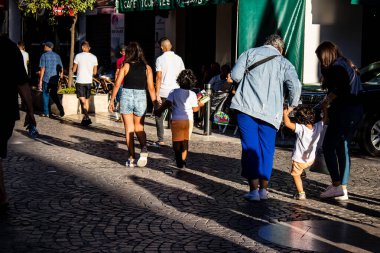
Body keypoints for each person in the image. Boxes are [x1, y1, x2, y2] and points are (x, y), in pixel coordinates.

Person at [230, 34, 301, 201]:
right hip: (271, 112)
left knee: (250, 147)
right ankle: (264, 190)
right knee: (267, 149)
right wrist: (291, 106)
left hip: (246, 108)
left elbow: (235, 76)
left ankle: (253, 190)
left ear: (266, 43)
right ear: (280, 49)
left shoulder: (250, 53)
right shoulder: (284, 63)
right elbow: (295, 86)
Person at [316, 41, 363, 200]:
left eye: (320, 58)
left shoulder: (336, 67)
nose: (320, 63)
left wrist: (327, 101)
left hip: (344, 112)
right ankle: (342, 187)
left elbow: (339, 89)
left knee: (328, 147)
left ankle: (336, 185)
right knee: (343, 147)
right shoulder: (346, 63)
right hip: (355, 111)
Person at [0, 11, 36, 212]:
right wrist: (30, 111)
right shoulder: (10, 49)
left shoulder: (10, 48)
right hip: (5, 110)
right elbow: (22, 84)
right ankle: (2, 197)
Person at [108, 42, 157, 167]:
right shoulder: (148, 68)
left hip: (127, 96)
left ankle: (131, 158)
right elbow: (151, 88)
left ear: (129, 53)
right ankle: (144, 148)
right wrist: (155, 103)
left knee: (128, 128)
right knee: (139, 127)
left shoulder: (125, 66)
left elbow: (117, 84)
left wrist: (112, 100)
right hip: (141, 97)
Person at [154, 69, 204, 168]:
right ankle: (183, 160)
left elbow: (167, 104)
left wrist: (158, 111)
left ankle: (178, 158)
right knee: (185, 141)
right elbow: (195, 109)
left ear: (179, 81)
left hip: (176, 120)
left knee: (176, 141)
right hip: (188, 121)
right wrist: (200, 105)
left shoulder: (174, 92)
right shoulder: (193, 94)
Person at [283, 106, 326, 200]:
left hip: (299, 160)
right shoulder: (318, 126)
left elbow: (287, 123)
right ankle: (303, 171)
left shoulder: (301, 128)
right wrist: (325, 107)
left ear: (299, 119)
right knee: (301, 169)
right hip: (310, 159)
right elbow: (325, 119)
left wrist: (285, 113)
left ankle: (301, 193)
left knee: (296, 175)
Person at [155, 37, 185, 147]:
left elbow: (158, 77)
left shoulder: (160, 59)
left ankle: (161, 139)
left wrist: (156, 93)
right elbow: (183, 76)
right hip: (176, 92)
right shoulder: (179, 59)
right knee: (176, 116)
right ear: (171, 46)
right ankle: (176, 139)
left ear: (162, 48)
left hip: (163, 92)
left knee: (159, 115)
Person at [73, 41, 98, 126]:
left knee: (82, 100)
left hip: (80, 80)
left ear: (83, 48)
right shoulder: (94, 57)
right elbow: (95, 72)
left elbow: (74, 69)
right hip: (88, 81)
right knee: (86, 100)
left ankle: (86, 116)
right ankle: (85, 119)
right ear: (89, 48)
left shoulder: (78, 56)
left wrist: (73, 70)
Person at [38, 41, 65, 118]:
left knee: (45, 94)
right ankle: (61, 109)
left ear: (47, 47)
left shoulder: (44, 56)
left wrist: (40, 80)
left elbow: (42, 68)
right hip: (55, 79)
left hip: (46, 78)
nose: (44, 47)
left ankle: (46, 112)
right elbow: (61, 67)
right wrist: (61, 76)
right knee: (54, 95)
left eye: (44, 46)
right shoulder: (57, 56)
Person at [114, 45, 127, 121]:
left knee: (121, 100)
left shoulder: (119, 60)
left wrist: (116, 81)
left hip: (121, 82)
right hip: (129, 83)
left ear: (120, 52)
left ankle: (122, 117)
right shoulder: (130, 60)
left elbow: (117, 72)